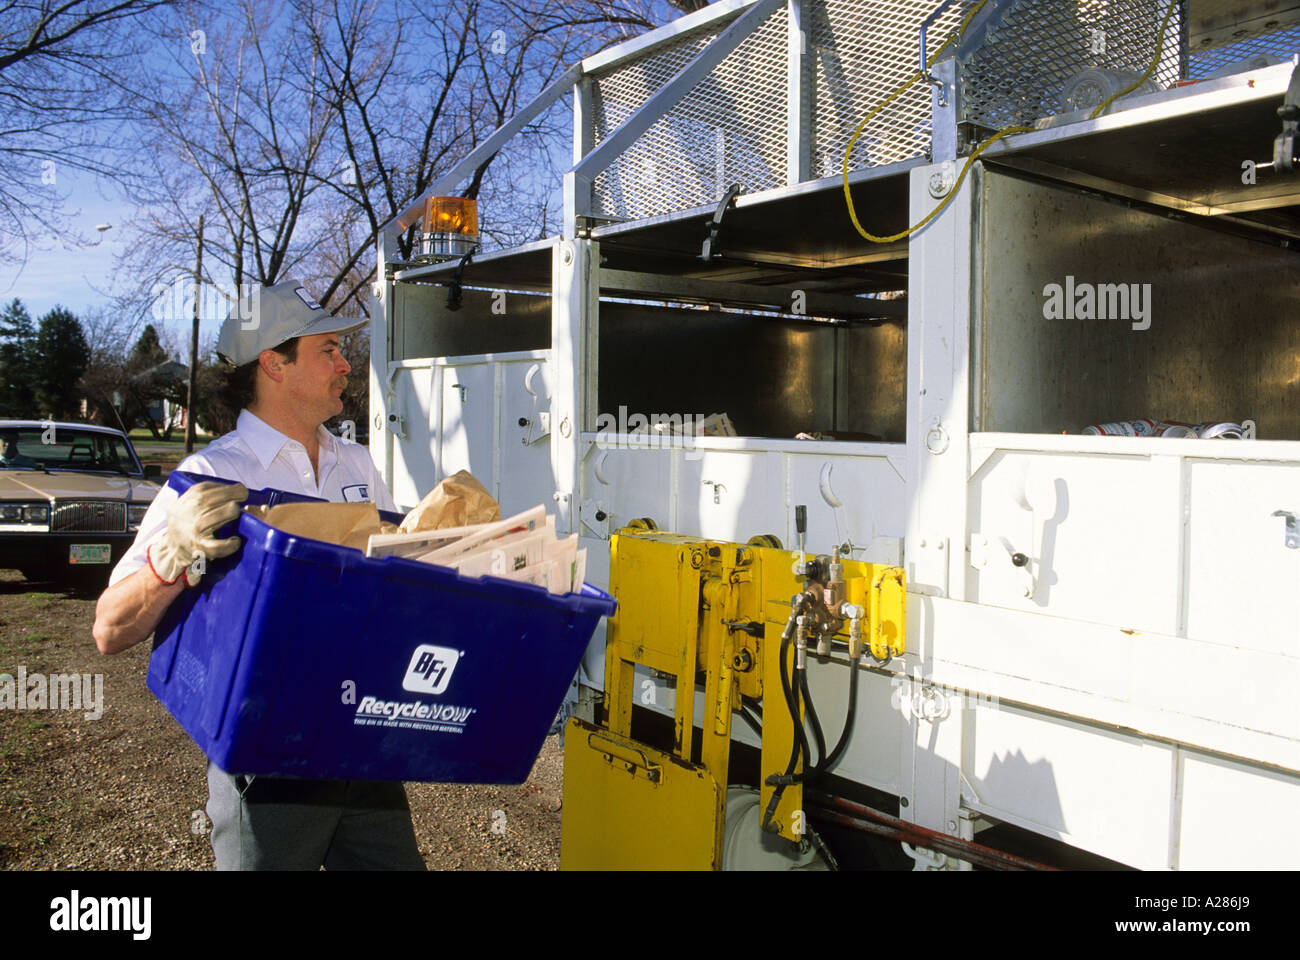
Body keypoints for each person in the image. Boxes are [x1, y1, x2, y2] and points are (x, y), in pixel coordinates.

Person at [92, 279, 425, 871]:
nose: (347, 364)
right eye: (328, 350)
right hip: (267, 754)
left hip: (361, 741)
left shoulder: (356, 463)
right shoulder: (211, 474)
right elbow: (110, 630)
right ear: (274, 364)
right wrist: (172, 557)